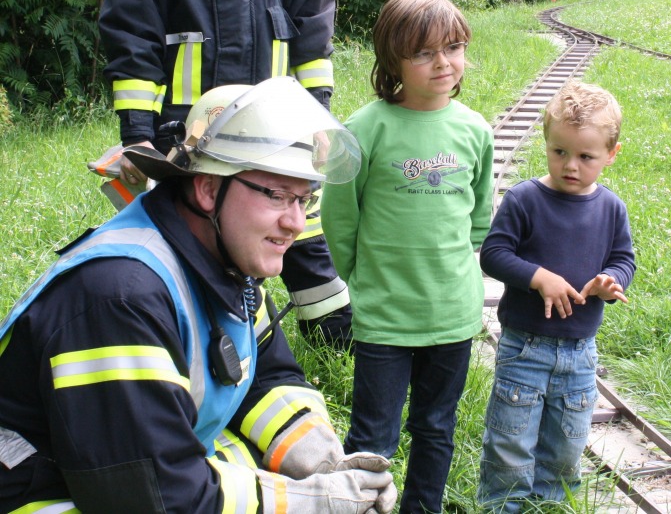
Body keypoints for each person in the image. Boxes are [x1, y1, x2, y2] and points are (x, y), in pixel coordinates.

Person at [0, 77, 397, 514]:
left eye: (304, 199)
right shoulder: (121, 300)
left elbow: (264, 376)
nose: (296, 223)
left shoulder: (225, 265)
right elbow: (154, 496)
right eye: (278, 195)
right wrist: (315, 502)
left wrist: (325, 461)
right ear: (208, 188)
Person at [96, 0, 353, 349]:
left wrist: (318, 115)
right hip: (192, 142)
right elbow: (133, 37)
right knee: (204, 252)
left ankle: (337, 344)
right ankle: (222, 348)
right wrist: (137, 133)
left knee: (302, 231)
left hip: (278, 135)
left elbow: (312, 32)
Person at [320, 0, 495, 513]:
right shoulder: (361, 129)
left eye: (454, 47)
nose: (443, 62)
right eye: (423, 52)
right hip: (385, 317)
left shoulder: (475, 130)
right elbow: (339, 216)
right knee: (372, 436)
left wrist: (453, 270)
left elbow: (479, 216)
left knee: (436, 427)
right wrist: (362, 277)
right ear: (392, 57)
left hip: (452, 316)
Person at [477, 80, 636, 511]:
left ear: (611, 155)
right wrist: (537, 277)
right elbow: (493, 255)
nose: (571, 165)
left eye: (586, 157)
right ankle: (504, 505)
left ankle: (549, 504)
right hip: (524, 348)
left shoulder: (610, 208)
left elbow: (624, 259)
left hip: (580, 353)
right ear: (546, 143)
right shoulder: (526, 199)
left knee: (566, 448)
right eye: (559, 151)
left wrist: (610, 280)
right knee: (510, 443)